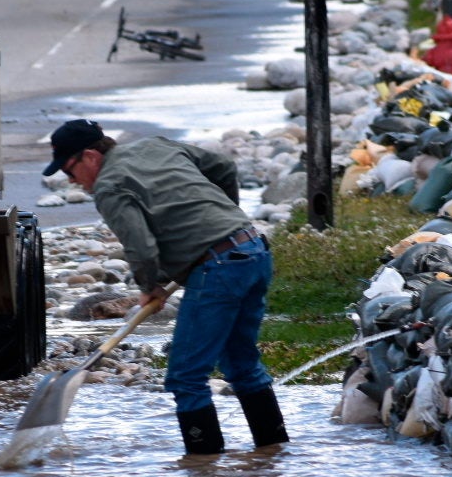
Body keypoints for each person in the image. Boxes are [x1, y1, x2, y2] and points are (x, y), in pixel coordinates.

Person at [42, 119, 288, 457]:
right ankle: (273, 454)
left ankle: (201, 475)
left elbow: (140, 247)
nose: (70, 180)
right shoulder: (155, 145)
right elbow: (224, 167)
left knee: (186, 377)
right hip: (253, 252)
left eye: (69, 170)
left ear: (90, 157)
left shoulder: (111, 185)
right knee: (242, 365)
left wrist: (149, 287)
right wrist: (228, 217)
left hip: (219, 268)